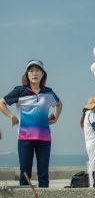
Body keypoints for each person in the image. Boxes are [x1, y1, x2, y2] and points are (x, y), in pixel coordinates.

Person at [0, 60, 62, 188]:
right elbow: (1, 103)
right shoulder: (20, 91)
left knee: (43, 174)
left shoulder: (48, 92)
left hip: (44, 139)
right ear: (27, 74)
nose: (34, 73)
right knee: (25, 174)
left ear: (43, 74)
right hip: (25, 138)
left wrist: (55, 118)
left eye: (38, 70)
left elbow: (59, 104)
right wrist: (11, 116)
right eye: (31, 70)